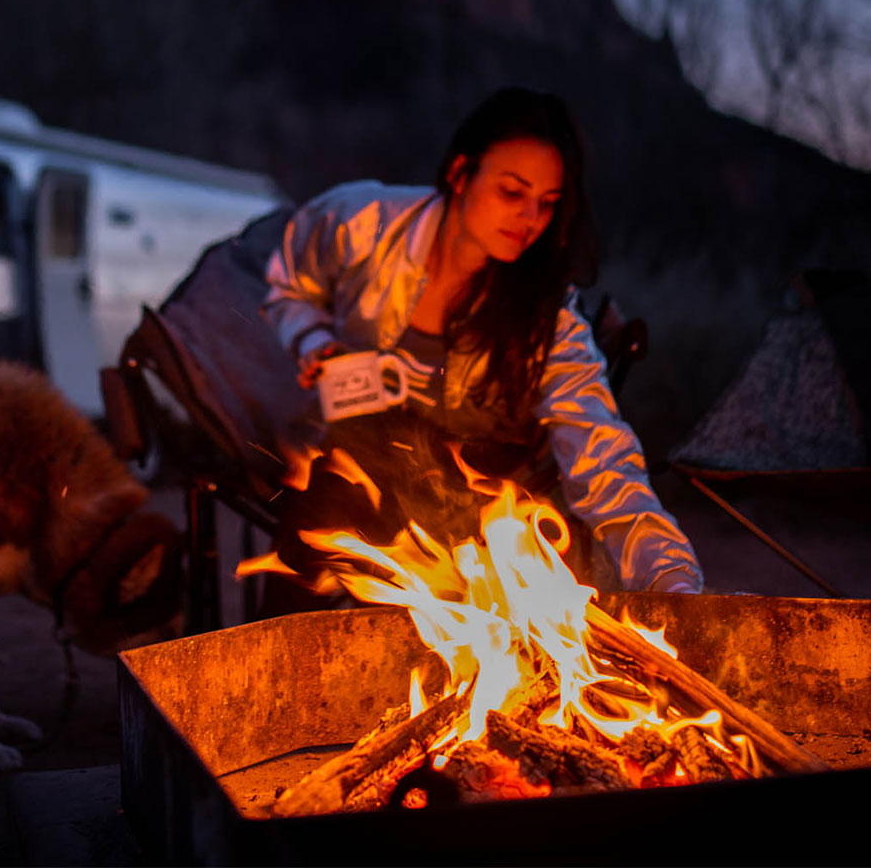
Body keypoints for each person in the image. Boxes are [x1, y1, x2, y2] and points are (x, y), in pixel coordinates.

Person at [260, 87, 702, 603]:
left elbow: (600, 452)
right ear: (459, 174)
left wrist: (671, 578)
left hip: (469, 506)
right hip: (354, 476)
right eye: (512, 193)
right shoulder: (360, 224)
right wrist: (314, 340)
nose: (529, 219)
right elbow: (290, 288)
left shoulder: (546, 315)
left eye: (547, 204)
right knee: (322, 509)